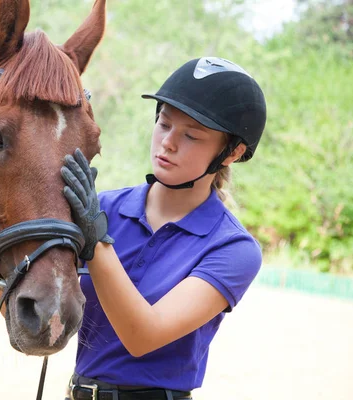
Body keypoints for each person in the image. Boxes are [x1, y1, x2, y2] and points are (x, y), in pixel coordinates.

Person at [61, 57, 267, 400]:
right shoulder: (104, 208)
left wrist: (95, 240)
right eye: (164, 123)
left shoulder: (233, 249)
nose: (168, 142)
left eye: (191, 135)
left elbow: (143, 336)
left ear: (232, 152)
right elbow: (30, 315)